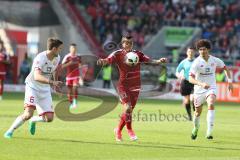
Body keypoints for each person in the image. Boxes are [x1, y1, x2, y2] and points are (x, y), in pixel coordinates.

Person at [97, 34, 167, 141]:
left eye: (130, 43)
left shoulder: (137, 54)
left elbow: (149, 61)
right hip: (123, 85)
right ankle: (127, 131)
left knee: (128, 111)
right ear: (122, 43)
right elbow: (108, 59)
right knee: (128, 107)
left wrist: (158, 61)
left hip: (135, 86)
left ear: (132, 44)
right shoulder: (117, 54)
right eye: (126, 43)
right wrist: (102, 61)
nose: (128, 45)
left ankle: (118, 129)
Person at [4, 38, 63, 139]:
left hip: (44, 90)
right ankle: (9, 131)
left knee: (49, 118)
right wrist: (52, 82)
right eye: (60, 48)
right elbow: (37, 76)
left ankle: (33, 120)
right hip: (33, 87)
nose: (60, 50)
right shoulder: (40, 58)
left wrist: (55, 85)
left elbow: (53, 71)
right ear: (54, 49)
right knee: (28, 114)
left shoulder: (57, 58)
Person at [189, 39, 233, 140]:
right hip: (199, 90)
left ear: (208, 49)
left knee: (211, 103)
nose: (202, 51)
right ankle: (196, 128)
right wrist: (201, 83)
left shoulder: (215, 60)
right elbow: (190, 78)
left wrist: (229, 81)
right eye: (200, 49)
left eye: (204, 49)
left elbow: (225, 68)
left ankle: (209, 132)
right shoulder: (196, 62)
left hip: (211, 87)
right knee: (197, 113)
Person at [175, 47, 195, 121]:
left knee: (193, 99)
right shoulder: (183, 62)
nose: (190, 53)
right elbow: (177, 71)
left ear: (194, 53)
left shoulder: (197, 62)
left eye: (192, 52)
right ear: (187, 53)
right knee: (187, 100)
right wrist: (180, 76)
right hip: (185, 82)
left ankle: (195, 114)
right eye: (189, 51)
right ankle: (190, 116)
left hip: (194, 82)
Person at [61, 43, 82, 109]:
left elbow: (80, 66)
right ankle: (71, 103)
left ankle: (75, 101)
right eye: (72, 48)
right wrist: (69, 63)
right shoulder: (67, 57)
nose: (74, 49)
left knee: (75, 87)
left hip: (76, 75)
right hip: (69, 76)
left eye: (75, 48)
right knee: (69, 91)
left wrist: (81, 77)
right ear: (70, 49)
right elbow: (62, 66)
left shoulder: (78, 57)